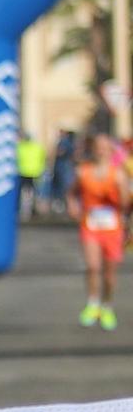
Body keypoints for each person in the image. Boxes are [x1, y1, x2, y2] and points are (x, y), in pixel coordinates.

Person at [70, 132, 129, 329]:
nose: (101, 150)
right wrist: (73, 206)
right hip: (91, 226)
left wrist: (122, 191)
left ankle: (107, 305)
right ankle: (93, 303)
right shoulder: (83, 171)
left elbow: (126, 204)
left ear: (111, 150)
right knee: (93, 266)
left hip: (113, 228)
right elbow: (71, 192)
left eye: (105, 147)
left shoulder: (119, 173)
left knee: (110, 275)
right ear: (93, 149)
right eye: (98, 146)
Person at [16, 130, 47, 219]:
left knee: (23, 192)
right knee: (35, 192)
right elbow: (43, 158)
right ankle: (34, 209)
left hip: (23, 172)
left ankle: (25, 210)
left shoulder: (20, 146)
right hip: (35, 172)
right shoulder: (38, 147)